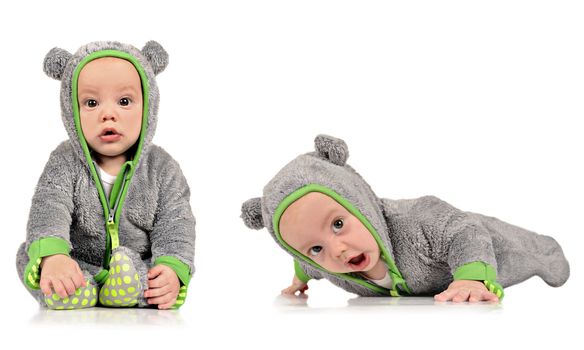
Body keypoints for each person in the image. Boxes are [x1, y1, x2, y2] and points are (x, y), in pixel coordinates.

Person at [241, 134, 569, 302]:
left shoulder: (415, 222)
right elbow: (307, 262)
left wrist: (471, 278)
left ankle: (542, 249)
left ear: (359, 205)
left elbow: (464, 232)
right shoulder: (326, 265)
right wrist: (300, 278)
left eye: (339, 224)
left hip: (492, 248)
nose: (337, 250)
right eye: (315, 248)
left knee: (532, 253)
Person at [15, 41, 196, 310]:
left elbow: (176, 222)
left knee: (150, 273)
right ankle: (78, 287)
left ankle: (128, 288)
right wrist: (54, 255)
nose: (108, 114)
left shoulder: (162, 168)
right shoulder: (64, 161)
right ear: (71, 110)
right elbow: (48, 206)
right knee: (29, 253)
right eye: (91, 103)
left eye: (124, 101)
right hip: (76, 264)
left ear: (148, 106)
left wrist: (172, 268)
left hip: (135, 265)